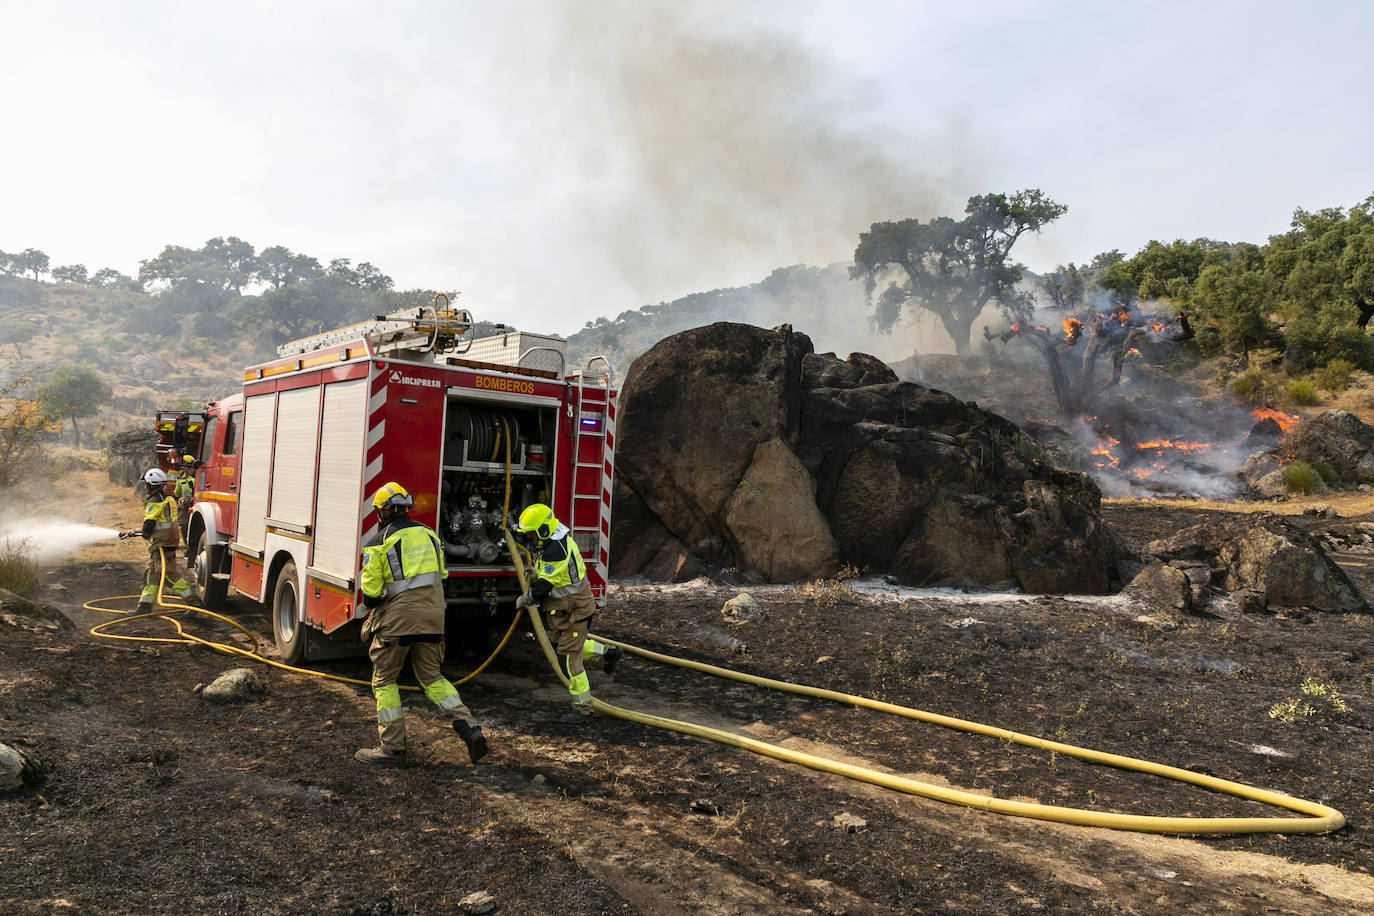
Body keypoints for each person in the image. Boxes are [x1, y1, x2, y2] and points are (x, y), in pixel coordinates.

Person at [355, 481, 489, 767]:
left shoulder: (378, 542)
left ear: (383, 512)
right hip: (434, 616)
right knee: (432, 677)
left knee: (385, 679)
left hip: (399, 620)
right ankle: (470, 730)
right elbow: (441, 574)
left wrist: (375, 607)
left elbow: (369, 594)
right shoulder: (430, 535)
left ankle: (392, 749)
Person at [513, 503, 622, 716]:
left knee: (569, 660)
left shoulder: (556, 550)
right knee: (567, 645)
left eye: (532, 535)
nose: (530, 540)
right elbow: (552, 575)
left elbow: (543, 589)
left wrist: (524, 599)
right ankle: (609, 653)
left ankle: (583, 708)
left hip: (576, 609)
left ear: (543, 530)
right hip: (565, 609)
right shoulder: (552, 542)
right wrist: (537, 574)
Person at [132, 467, 197, 612]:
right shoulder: (168, 499)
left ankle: (194, 603)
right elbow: (163, 521)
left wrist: (145, 533)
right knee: (152, 574)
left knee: (169, 576)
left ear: (150, 485)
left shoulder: (154, 501)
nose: (145, 487)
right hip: (169, 541)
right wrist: (139, 531)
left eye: (146, 485)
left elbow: (150, 522)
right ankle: (145, 606)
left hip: (161, 543)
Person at [173, 454, 197, 543]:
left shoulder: (196, 479)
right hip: (184, 506)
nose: (182, 468)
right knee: (183, 525)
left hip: (195, 504)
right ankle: (187, 544)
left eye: (184, 466)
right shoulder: (181, 481)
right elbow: (176, 493)